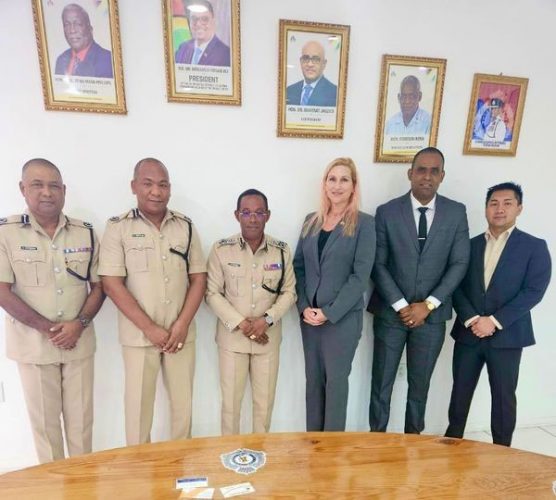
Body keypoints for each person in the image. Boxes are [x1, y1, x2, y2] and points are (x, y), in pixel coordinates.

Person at [0, 158, 104, 463]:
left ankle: (83, 491)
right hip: (34, 348)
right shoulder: (6, 233)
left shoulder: (84, 232)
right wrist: (49, 329)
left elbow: (99, 286)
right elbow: (2, 291)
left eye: (54, 186)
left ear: (64, 190)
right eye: (38, 185)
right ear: (23, 189)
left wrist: (80, 323)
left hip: (79, 344)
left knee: (82, 427)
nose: (47, 192)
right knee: (45, 430)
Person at [98, 158, 207, 445]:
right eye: (148, 184)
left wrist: (182, 324)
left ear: (170, 189)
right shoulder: (117, 227)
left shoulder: (186, 226)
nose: (156, 191)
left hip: (180, 335)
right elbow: (111, 283)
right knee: (137, 412)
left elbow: (199, 278)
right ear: (134, 186)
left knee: (183, 410)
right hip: (139, 337)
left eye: (162, 184)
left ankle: (182, 474)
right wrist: (150, 328)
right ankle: (139, 475)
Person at [368, 147, 470, 434]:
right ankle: (377, 440)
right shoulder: (387, 212)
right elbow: (378, 263)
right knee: (381, 384)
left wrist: (429, 304)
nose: (427, 176)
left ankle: (414, 442)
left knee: (420, 385)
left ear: (442, 176)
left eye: (434, 170)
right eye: (421, 170)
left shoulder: (456, 212)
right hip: (391, 315)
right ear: (410, 173)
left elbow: (460, 262)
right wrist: (401, 304)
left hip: (432, 318)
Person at [445, 182, 551, 447]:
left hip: (508, 336)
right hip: (468, 333)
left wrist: (493, 321)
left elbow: (534, 291)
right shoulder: (468, 245)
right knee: (459, 394)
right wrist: (472, 319)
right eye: (494, 203)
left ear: (519, 208)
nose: (500, 209)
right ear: (486, 209)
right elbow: (454, 284)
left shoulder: (534, 247)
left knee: (503, 398)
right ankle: (451, 446)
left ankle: (502, 451)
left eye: (507, 203)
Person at [293, 158, 375, 431]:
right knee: (313, 383)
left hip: (340, 321)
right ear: (324, 184)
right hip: (309, 320)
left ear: (353, 186)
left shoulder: (364, 224)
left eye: (344, 179)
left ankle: (332, 450)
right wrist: (304, 307)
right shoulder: (311, 221)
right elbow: (299, 268)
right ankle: (313, 442)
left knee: (336, 385)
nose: (337, 185)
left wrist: (329, 312)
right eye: (332, 179)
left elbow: (360, 277)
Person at [206, 189, 296, 435]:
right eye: (246, 212)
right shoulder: (221, 249)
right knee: (230, 408)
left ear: (268, 216)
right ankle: (230, 460)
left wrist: (266, 320)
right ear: (237, 215)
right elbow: (212, 293)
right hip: (232, 341)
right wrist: (243, 324)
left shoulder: (281, 250)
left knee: (263, 407)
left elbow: (290, 292)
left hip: (267, 341)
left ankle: (260, 460)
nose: (253, 218)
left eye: (259, 213)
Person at [54, 3, 113, 78]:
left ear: (90, 29)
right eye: (67, 24)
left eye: (78, 24)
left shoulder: (107, 60)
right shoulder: (61, 60)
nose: (72, 30)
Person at [174, 0, 230, 67]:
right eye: (194, 18)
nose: (198, 24)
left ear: (213, 21)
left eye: (204, 19)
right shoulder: (182, 48)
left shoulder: (225, 54)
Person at [286, 41, 337, 107]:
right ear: (301, 62)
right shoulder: (289, 91)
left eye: (315, 59)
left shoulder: (334, 93)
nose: (310, 64)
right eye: (306, 58)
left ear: (324, 64)